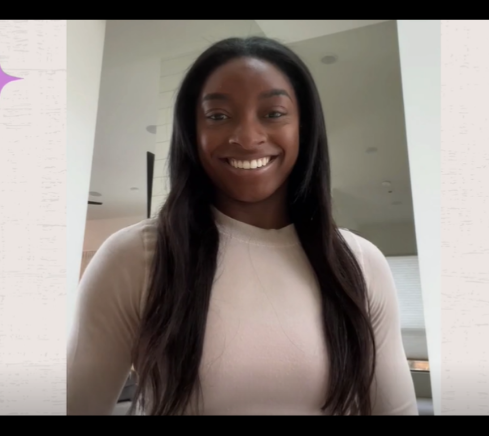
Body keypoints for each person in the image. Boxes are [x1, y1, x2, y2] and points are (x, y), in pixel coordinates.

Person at [67, 36, 418, 415]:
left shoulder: (361, 263)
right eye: (218, 116)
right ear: (191, 133)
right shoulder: (136, 258)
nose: (248, 138)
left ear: (304, 128)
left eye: (273, 113)